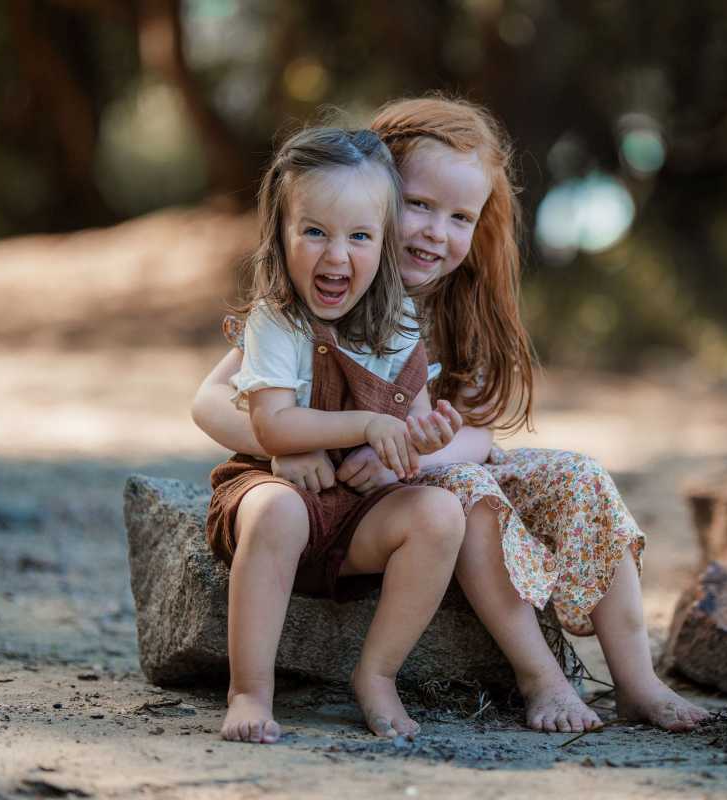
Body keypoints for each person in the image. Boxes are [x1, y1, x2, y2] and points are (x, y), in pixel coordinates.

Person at [193, 97, 709, 734]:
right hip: (371, 489)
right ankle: (541, 678)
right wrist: (288, 447)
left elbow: (479, 433)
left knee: (579, 476)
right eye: (419, 205)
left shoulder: (462, 303)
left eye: (460, 216)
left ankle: (637, 682)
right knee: (469, 494)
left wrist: (415, 455)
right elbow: (210, 399)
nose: (436, 231)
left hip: (418, 467)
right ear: (373, 195)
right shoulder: (322, 291)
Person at [204, 124, 467, 745]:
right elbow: (272, 424)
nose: (335, 256)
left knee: (440, 516)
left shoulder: (400, 316)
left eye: (359, 237)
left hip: (359, 516)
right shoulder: (277, 319)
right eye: (314, 231)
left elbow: (409, 425)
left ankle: (376, 675)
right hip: (276, 489)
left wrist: (423, 438)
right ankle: (251, 691)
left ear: (384, 242)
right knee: (275, 514)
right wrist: (367, 424)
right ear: (281, 232)